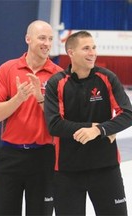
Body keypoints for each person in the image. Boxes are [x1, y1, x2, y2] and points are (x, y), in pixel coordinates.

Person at [44, 30, 132, 215]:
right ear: (71, 52)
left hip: (106, 168)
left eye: (93, 47)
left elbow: (127, 113)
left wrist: (100, 129)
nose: (92, 52)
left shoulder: (107, 78)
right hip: (68, 170)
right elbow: (54, 124)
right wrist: (89, 128)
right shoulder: (57, 83)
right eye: (86, 48)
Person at [0, 20, 63, 215]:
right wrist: (18, 98)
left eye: (50, 39)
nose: (47, 43)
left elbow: (61, 121)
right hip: (11, 156)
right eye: (42, 38)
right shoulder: (7, 69)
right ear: (28, 39)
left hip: (44, 157)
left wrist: (40, 99)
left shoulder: (59, 76)